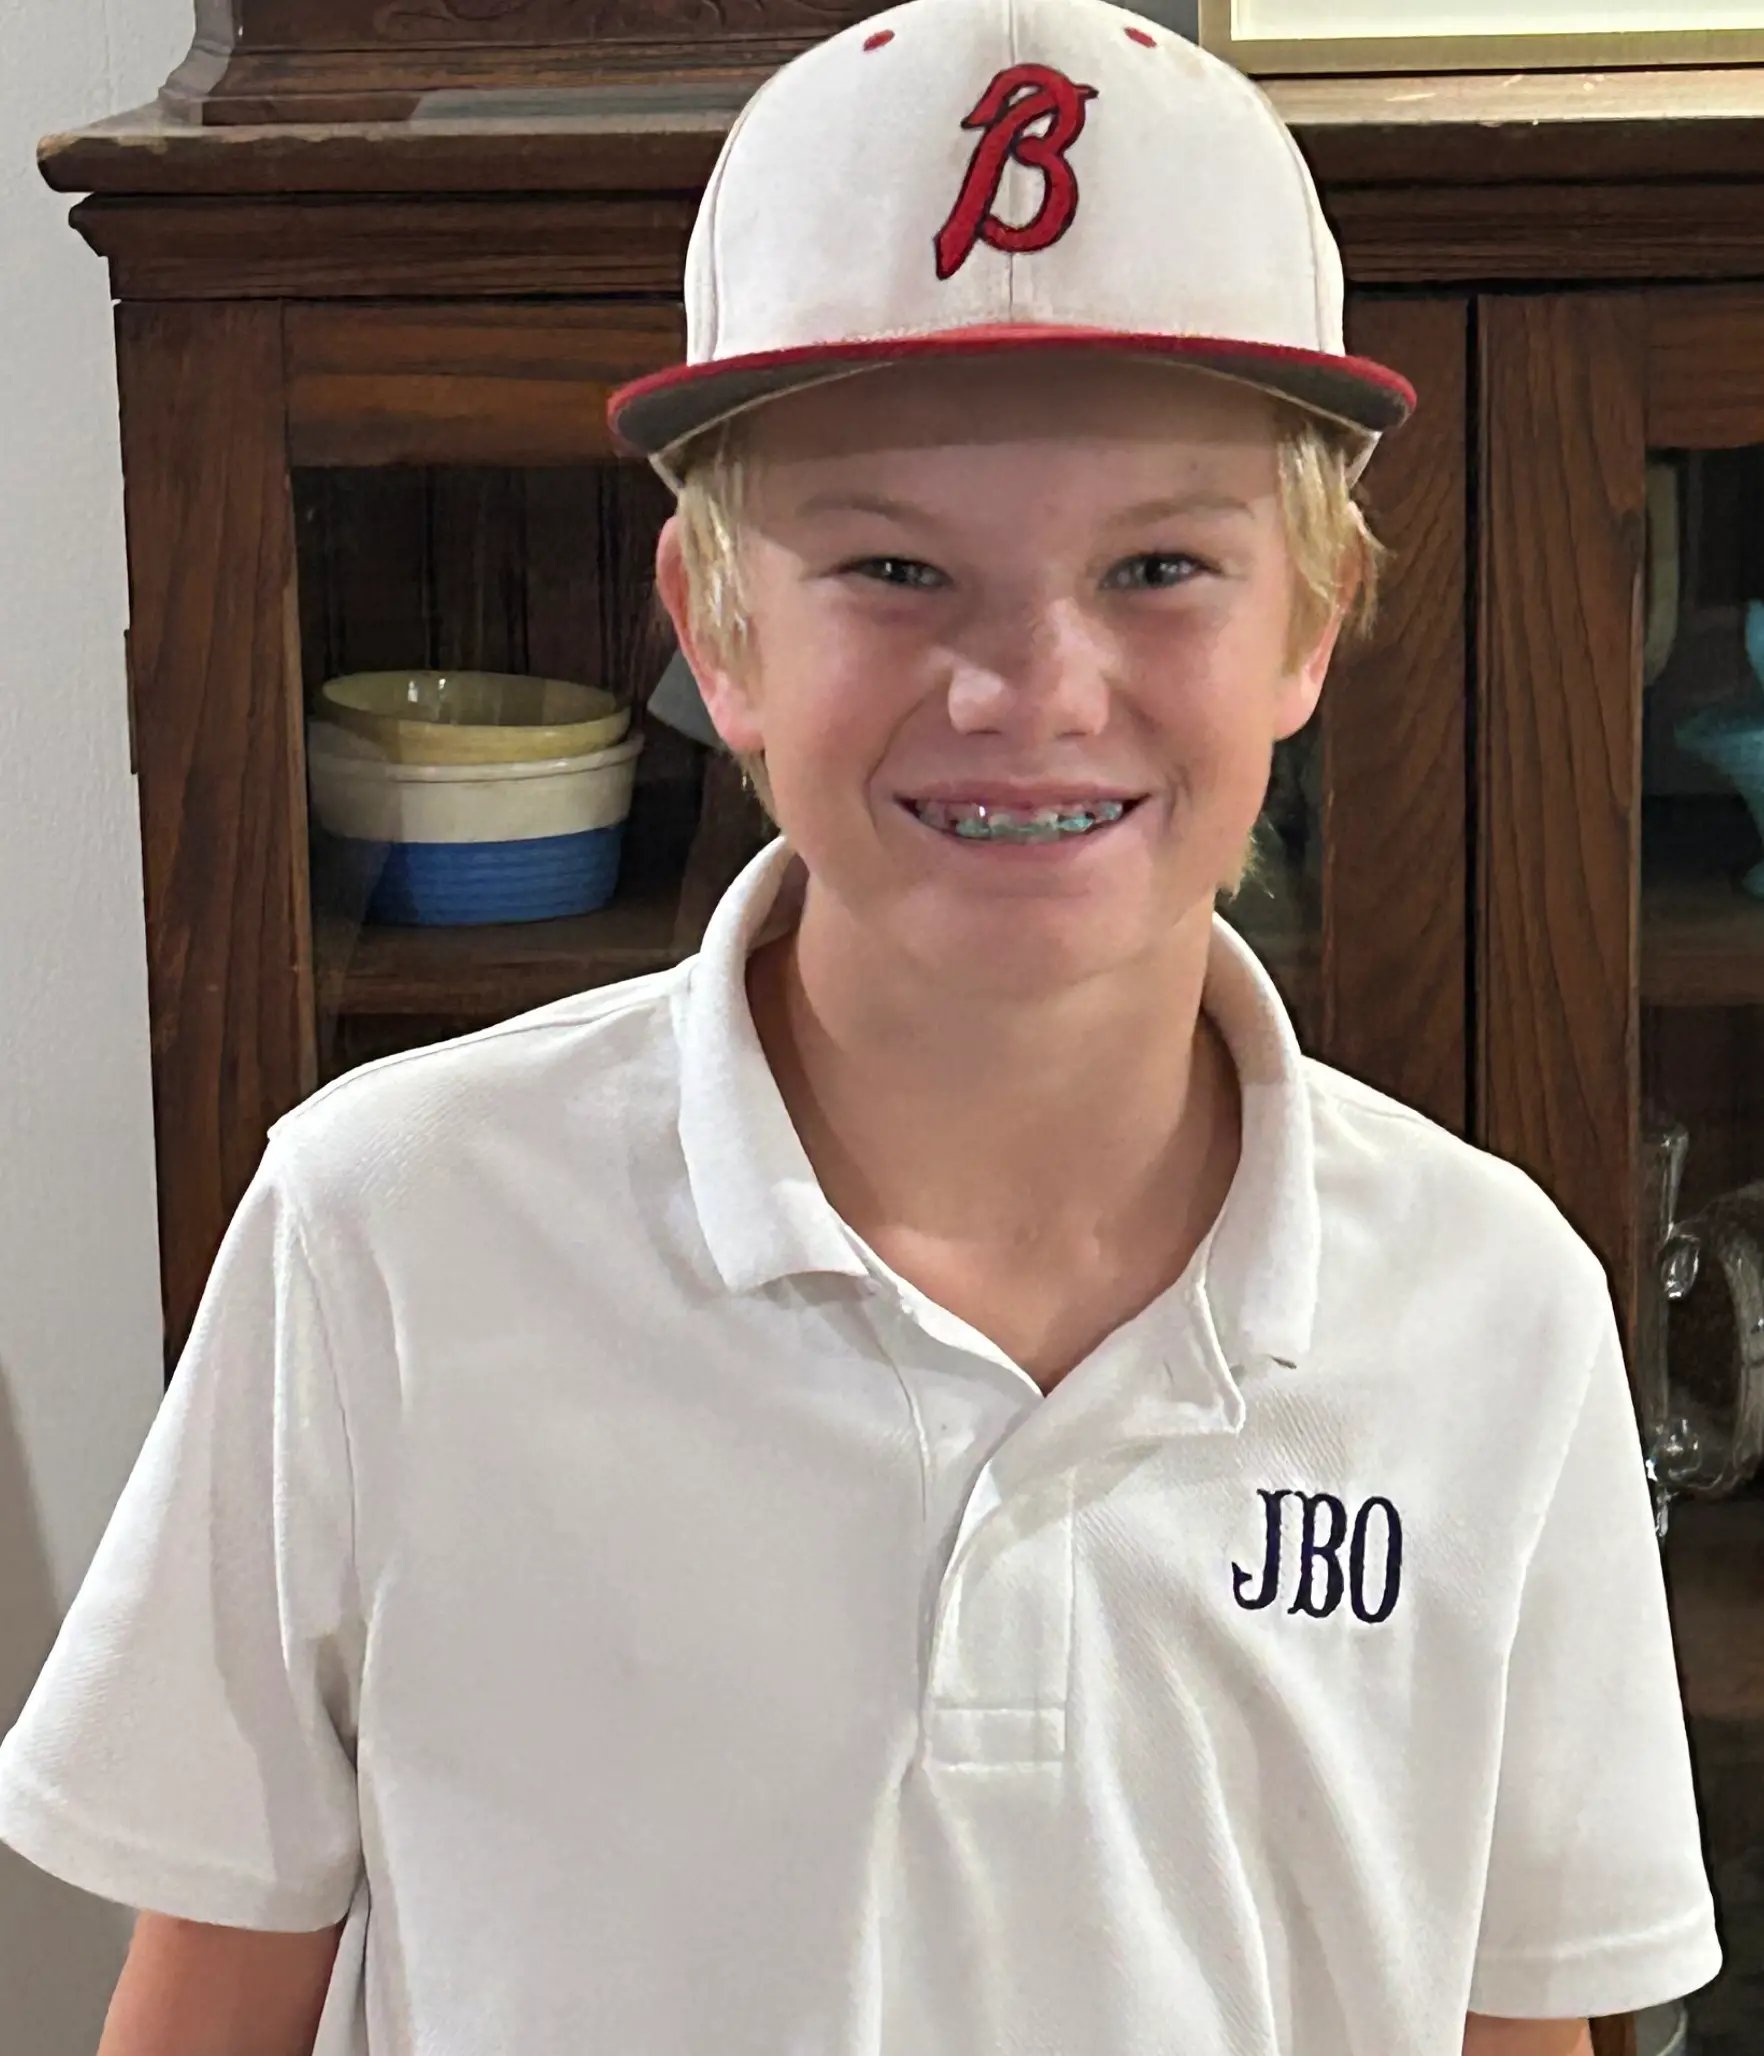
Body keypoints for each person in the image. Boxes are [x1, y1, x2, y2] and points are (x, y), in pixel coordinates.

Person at [0, 0, 1722, 2051]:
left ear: (1314, 619)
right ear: (715, 626)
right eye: (894, 565)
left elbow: (1522, 2023)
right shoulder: (380, 1231)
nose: (1030, 686)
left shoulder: (1492, 1304)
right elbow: (210, 2004)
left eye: (1160, 564)